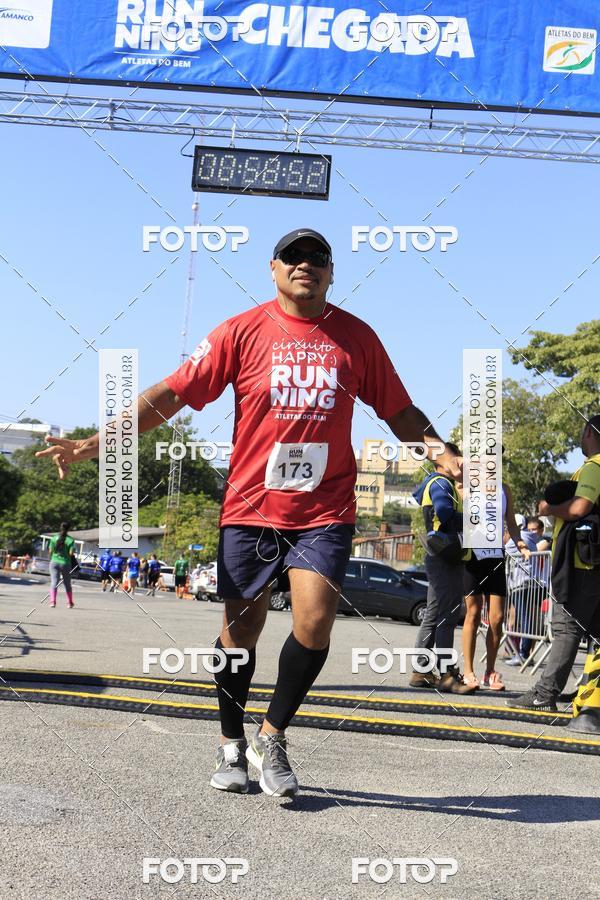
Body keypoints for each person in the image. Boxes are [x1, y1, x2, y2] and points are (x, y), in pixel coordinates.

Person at [36, 226, 462, 799]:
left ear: (332, 273)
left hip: (324, 508)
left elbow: (398, 409)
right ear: (273, 268)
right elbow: (172, 394)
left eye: (317, 257)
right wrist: (97, 441)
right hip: (250, 507)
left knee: (313, 624)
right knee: (240, 632)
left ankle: (273, 735)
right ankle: (231, 742)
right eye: (293, 256)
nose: (304, 264)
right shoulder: (241, 331)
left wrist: (442, 451)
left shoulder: (357, 338)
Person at [511, 415, 600, 712]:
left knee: (566, 628)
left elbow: (579, 508)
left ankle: (544, 694)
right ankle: (589, 694)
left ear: (589, 431)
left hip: (580, 565)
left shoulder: (593, 468)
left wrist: (549, 509)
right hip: (592, 565)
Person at [411, 445, 477, 695]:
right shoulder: (441, 484)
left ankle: (421, 670)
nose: (461, 465)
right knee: (447, 616)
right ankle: (447, 674)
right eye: (457, 460)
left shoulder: (435, 483)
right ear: (442, 461)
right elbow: (445, 512)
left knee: (434, 613)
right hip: (445, 556)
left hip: (438, 555)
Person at [460, 477, 528, 690]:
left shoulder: (504, 488)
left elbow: (511, 523)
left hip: (496, 557)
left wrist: (521, 543)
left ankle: (490, 672)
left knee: (497, 618)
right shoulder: (466, 485)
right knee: (473, 612)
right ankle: (469, 672)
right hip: (472, 556)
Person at [48, 522, 75, 609]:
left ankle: (53, 601)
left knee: (54, 582)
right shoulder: (70, 540)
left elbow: (50, 551)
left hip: (54, 562)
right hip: (65, 563)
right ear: (69, 529)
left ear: (60, 528)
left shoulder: (54, 538)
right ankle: (70, 603)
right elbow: (71, 553)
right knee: (67, 583)